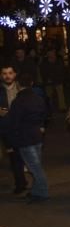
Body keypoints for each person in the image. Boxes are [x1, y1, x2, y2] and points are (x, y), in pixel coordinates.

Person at [3, 73, 49, 204]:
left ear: (18, 85)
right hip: (37, 136)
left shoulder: (18, 102)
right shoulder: (38, 98)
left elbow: (13, 123)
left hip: (25, 139)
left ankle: (43, 192)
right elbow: (44, 115)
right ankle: (36, 191)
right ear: (32, 84)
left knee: (35, 168)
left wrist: (10, 142)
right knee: (36, 165)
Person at [0, 64, 26, 194]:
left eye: (10, 73)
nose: (7, 76)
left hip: (22, 128)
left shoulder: (22, 88)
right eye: (4, 73)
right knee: (13, 158)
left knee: (22, 157)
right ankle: (20, 183)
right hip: (6, 129)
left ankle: (24, 183)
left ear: (15, 74)